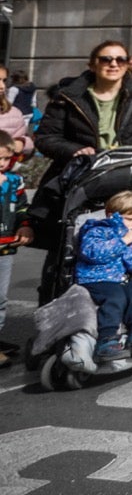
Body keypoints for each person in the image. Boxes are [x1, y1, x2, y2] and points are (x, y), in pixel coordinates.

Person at [30, 40, 132, 304]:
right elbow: (45, 137)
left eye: (120, 59)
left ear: (128, 64)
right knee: (67, 247)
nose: (113, 64)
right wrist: (75, 150)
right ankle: (54, 308)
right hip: (81, 179)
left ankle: (125, 311)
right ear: (92, 64)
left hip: (126, 178)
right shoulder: (68, 95)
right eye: (106, 59)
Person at [75, 189, 132, 362]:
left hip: (127, 276)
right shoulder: (99, 230)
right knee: (115, 297)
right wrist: (123, 241)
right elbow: (92, 253)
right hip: (97, 277)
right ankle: (106, 340)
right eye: (130, 219)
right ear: (111, 215)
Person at [0, 147, 31, 368]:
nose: (2, 162)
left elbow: (22, 209)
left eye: (6, 158)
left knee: (0, 299)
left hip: (5, 249)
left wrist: (25, 227)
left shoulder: (14, 181)